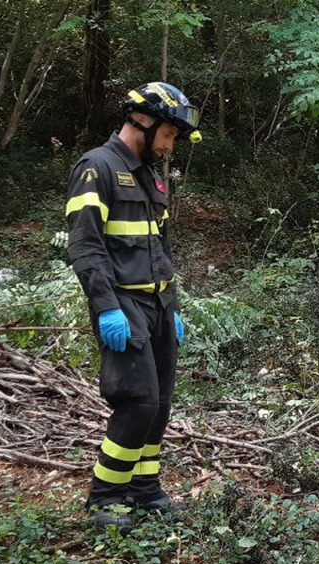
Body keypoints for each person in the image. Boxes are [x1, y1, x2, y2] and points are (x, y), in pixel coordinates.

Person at [65, 82, 202, 530]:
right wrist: (105, 306)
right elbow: (86, 246)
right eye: (169, 134)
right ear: (144, 122)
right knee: (138, 401)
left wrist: (174, 305)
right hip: (123, 304)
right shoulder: (96, 168)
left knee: (160, 403)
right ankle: (104, 498)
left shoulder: (150, 174)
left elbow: (160, 247)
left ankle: (145, 489)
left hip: (158, 303)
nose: (170, 144)